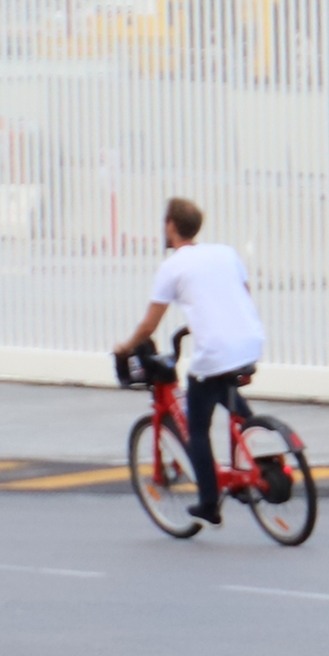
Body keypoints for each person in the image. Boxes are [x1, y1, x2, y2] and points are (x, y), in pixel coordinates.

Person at [115, 197, 268, 525]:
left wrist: (125, 347)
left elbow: (149, 325)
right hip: (250, 342)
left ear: (170, 226)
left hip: (214, 352)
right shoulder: (225, 252)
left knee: (197, 427)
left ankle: (209, 503)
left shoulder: (172, 266)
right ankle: (255, 453)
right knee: (226, 392)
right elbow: (242, 293)